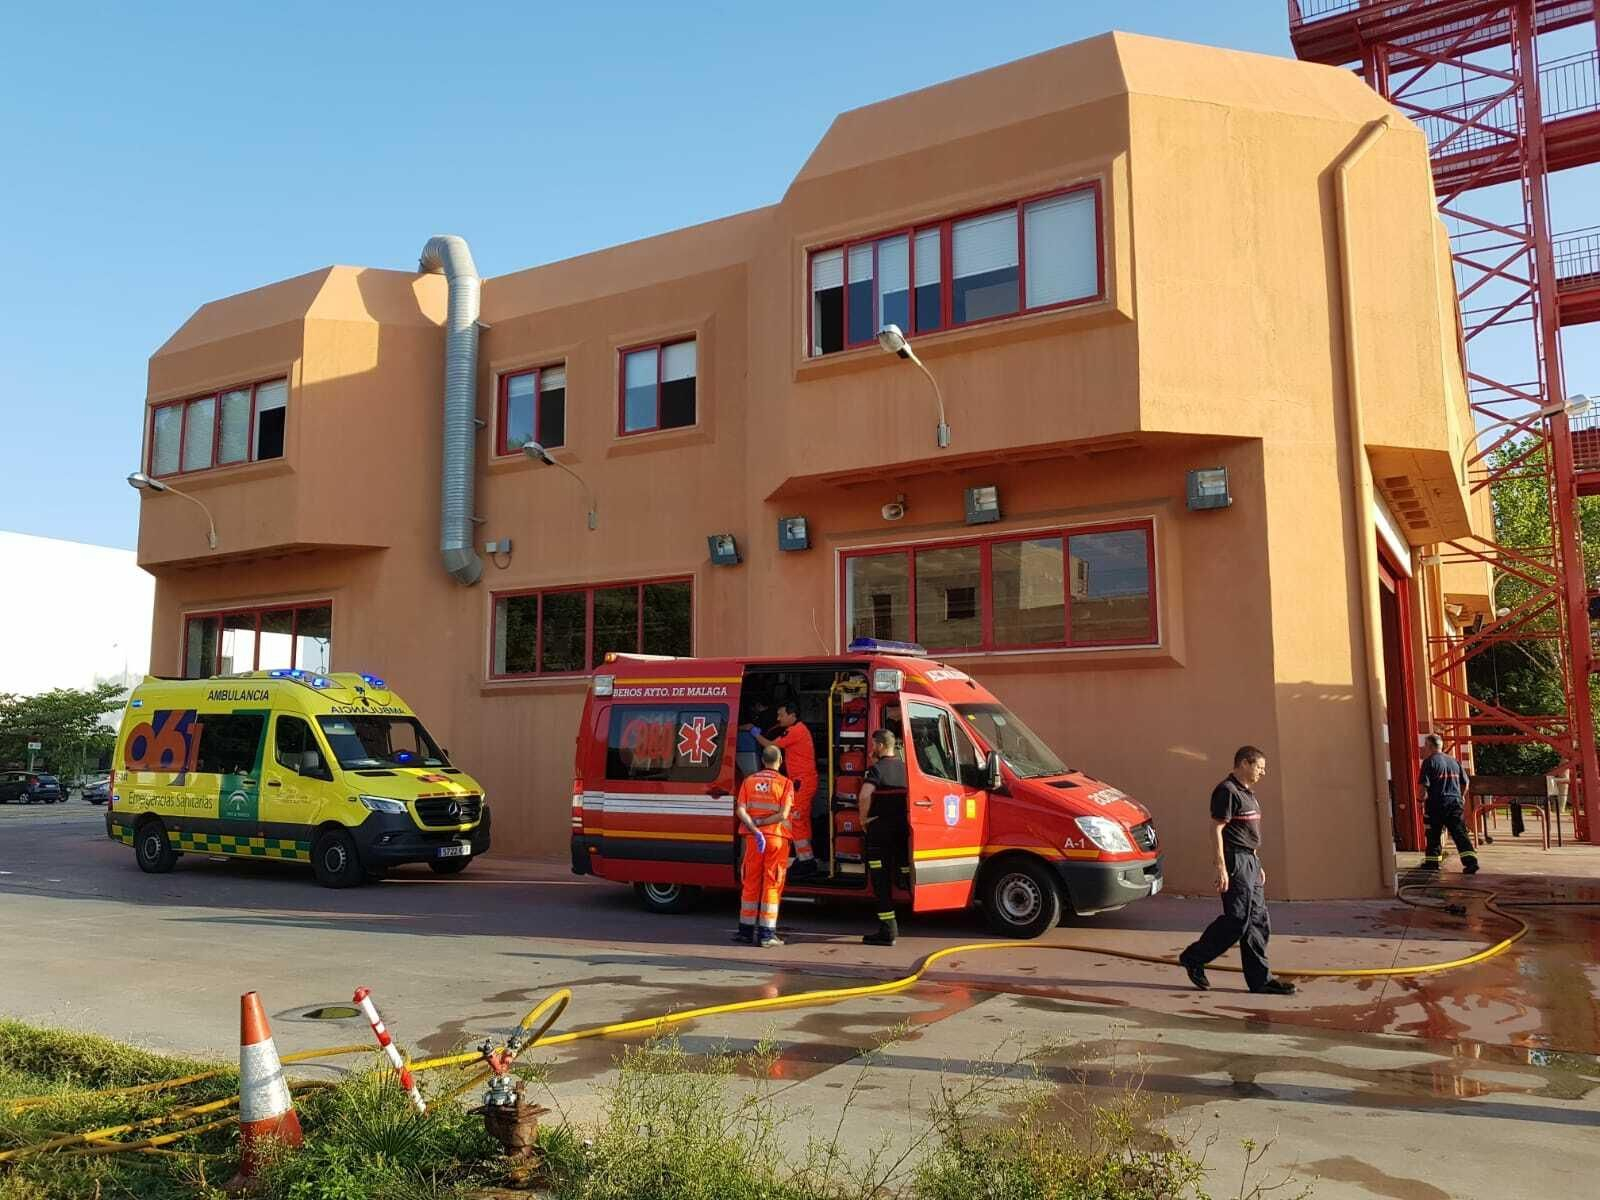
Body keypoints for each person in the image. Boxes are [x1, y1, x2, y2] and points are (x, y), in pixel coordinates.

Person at [1178, 746, 1297, 996]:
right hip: (1235, 863)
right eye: (1260, 767)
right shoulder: (1227, 791)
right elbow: (1217, 829)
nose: (1263, 773)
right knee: (1237, 920)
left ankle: (1260, 981)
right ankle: (1194, 957)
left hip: (1250, 862)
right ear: (1245, 763)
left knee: (1257, 922)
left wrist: (1257, 862)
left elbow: (1246, 833)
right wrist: (1221, 866)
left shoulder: (1248, 794)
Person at [733, 745, 795, 947]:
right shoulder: (786, 784)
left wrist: (754, 826)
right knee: (772, 883)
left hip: (753, 839)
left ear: (762, 761)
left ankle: (745, 931)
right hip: (776, 838)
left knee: (750, 882)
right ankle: (767, 935)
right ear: (780, 761)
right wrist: (763, 823)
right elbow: (784, 815)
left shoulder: (749, 781)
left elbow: (740, 810)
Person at [748, 701, 819, 874]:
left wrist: (755, 734)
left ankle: (806, 862)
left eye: (781, 715)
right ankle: (806, 858)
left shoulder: (796, 731)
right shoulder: (798, 729)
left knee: (796, 820)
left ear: (792, 715)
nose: (778, 718)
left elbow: (771, 747)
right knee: (801, 820)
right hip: (803, 782)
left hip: (802, 783)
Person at [858, 729, 911, 946]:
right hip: (902, 831)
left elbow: (864, 795)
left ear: (880, 746)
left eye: (873, 745)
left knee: (880, 882)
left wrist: (863, 820)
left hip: (879, 832)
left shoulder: (877, 770)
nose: (872, 749)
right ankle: (903, 878)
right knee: (900, 872)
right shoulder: (906, 769)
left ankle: (888, 930)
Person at [1418, 734, 1479, 874]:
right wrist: (1461, 796)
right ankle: (1471, 863)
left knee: (1433, 834)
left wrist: (1419, 800)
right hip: (1454, 803)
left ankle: (1432, 863)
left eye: (1425, 746)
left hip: (1436, 804)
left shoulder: (1429, 762)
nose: (1423, 749)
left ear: (1430, 746)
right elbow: (1466, 783)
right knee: (1460, 833)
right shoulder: (1454, 761)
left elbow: (1423, 786)